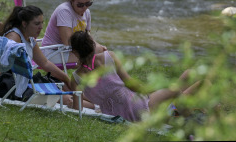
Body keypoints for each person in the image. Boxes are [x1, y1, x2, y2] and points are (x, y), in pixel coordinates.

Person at [70, 31, 207, 122]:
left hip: (114, 114)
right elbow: (130, 83)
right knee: (176, 90)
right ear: (93, 45)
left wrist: (102, 108)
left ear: (75, 52)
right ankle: (187, 119)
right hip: (137, 107)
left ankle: (179, 112)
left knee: (186, 80)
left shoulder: (75, 78)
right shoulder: (108, 56)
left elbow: (77, 110)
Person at [0, 6, 94, 108]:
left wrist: (66, 78)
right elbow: (0, 57)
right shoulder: (14, 37)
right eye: (37, 23)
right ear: (24, 24)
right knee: (65, 97)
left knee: (63, 84)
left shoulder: (29, 39)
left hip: (24, 81)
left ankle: (95, 100)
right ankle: (96, 106)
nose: (41, 27)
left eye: (42, 22)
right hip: (12, 84)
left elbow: (45, 63)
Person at [41, 0, 106, 65]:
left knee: (102, 52)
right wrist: (93, 48)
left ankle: (88, 77)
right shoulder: (64, 11)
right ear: (71, 0)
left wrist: (98, 45)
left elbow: (87, 37)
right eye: (80, 5)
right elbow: (68, 42)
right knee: (96, 57)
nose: (84, 7)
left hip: (67, 51)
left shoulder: (87, 12)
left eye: (88, 4)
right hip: (53, 52)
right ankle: (81, 77)